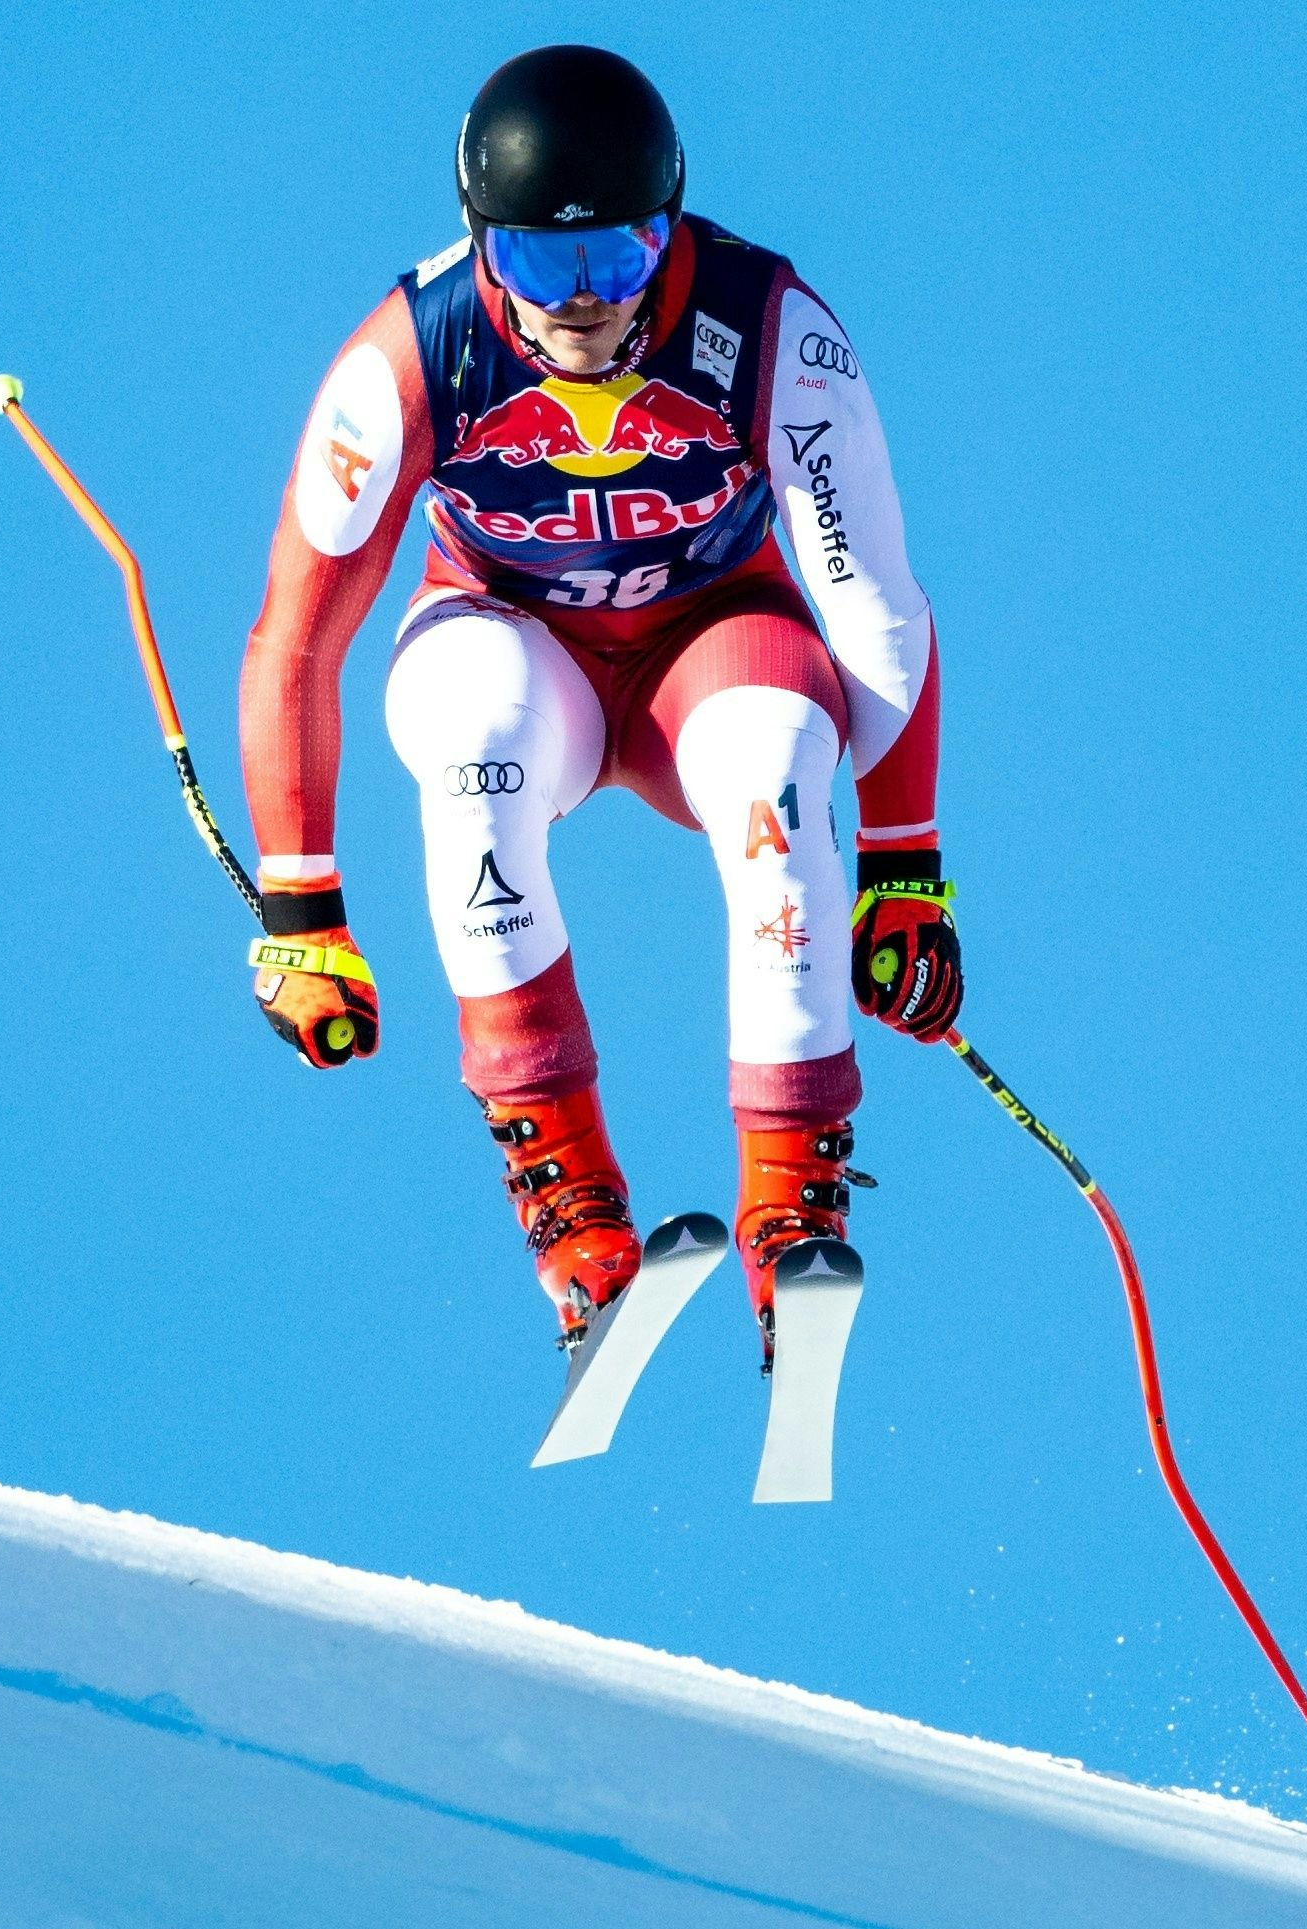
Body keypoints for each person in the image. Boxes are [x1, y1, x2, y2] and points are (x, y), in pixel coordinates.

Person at [239, 44, 963, 1367]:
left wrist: (903, 867)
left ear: (668, 224)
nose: (579, 305)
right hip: (517, 646)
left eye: (618, 259)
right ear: (478, 244)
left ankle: (790, 1192)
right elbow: (295, 638)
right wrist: (302, 909)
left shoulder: (767, 331)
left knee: (774, 764)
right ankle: (565, 1191)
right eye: (536, 265)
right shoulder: (413, 354)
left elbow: (872, 601)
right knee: (470, 730)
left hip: (712, 640)